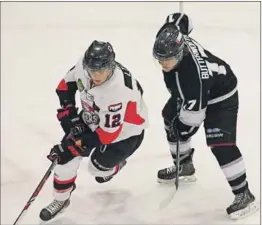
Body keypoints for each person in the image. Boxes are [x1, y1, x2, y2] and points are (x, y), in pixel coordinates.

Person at [153, 13, 257, 219]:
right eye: (160, 59)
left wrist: (181, 131)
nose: (164, 63)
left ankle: (244, 194)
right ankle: (184, 166)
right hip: (193, 90)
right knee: (169, 117)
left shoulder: (192, 77)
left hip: (221, 94)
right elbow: (181, 18)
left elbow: (194, 116)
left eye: (169, 59)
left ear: (180, 51)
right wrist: (174, 21)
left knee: (220, 142)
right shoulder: (172, 36)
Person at [39, 40, 148, 222]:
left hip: (126, 133)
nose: (96, 74)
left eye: (102, 69)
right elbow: (65, 86)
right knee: (66, 160)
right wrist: (71, 116)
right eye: (93, 69)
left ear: (111, 66)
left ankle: (112, 167)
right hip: (96, 118)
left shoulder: (117, 91)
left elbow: (107, 135)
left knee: (96, 170)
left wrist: (74, 146)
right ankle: (61, 200)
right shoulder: (84, 65)